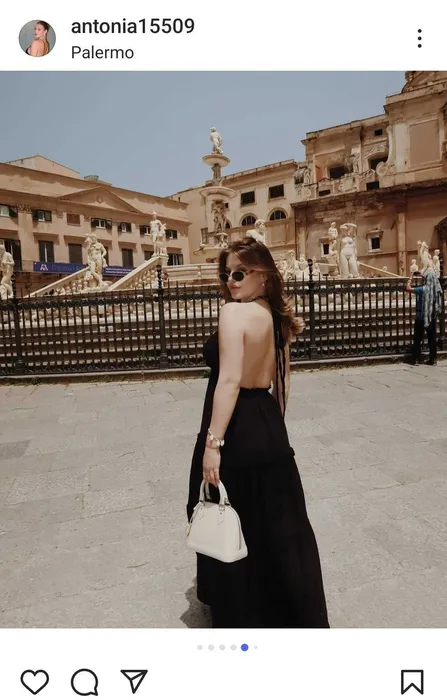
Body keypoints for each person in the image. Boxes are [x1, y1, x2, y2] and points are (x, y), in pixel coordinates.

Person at [186, 236, 329, 628]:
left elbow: (229, 380)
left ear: (263, 275)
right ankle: (291, 615)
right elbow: (283, 380)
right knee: (279, 524)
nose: (230, 281)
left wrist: (213, 443)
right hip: (266, 422)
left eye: (240, 273)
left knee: (228, 514)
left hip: (234, 426)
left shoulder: (234, 313)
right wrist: (273, 429)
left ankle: (241, 614)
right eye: (226, 273)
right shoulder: (274, 316)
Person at [406, 268, 443, 366]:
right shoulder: (437, 289)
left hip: (420, 316)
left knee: (417, 338)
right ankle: (433, 359)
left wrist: (410, 279)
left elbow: (408, 288)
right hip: (431, 315)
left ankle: (416, 359)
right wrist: (423, 274)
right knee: (432, 338)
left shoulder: (423, 289)